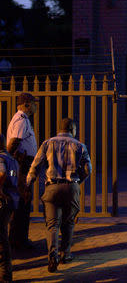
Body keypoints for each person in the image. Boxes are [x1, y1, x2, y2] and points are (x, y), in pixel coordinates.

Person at [26, 118, 92, 272]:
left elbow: (35, 166)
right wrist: (78, 182)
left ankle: (52, 255)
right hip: (71, 187)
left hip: (52, 187)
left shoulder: (47, 143)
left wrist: (28, 183)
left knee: (52, 225)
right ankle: (65, 254)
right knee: (68, 222)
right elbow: (88, 169)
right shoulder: (80, 146)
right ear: (72, 129)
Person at [7, 92, 38, 250]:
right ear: (26, 104)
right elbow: (14, 142)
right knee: (23, 201)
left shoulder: (21, 119)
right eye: (33, 103)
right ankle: (19, 241)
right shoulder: (21, 120)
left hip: (22, 164)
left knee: (22, 202)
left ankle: (19, 239)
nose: (35, 106)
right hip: (22, 165)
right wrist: (13, 161)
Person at [0, 134, 19, 282]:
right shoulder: (12, 160)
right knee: (3, 236)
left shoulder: (0, 159)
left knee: (1, 240)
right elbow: (14, 177)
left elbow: (2, 174)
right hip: (11, 201)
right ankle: (7, 272)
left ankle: (5, 274)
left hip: (2, 200)